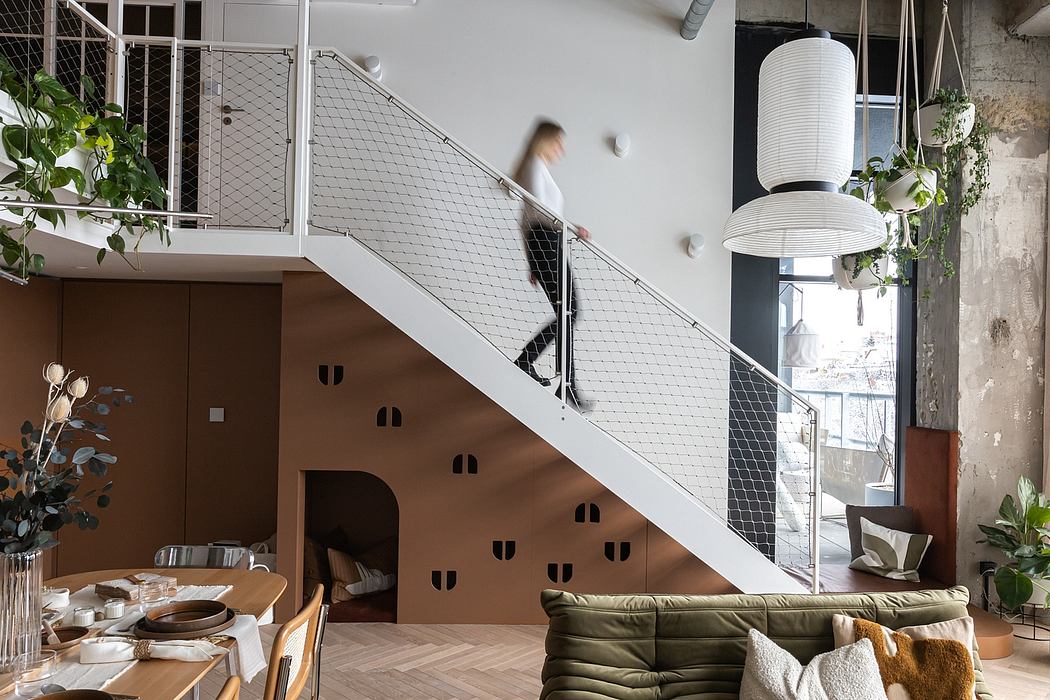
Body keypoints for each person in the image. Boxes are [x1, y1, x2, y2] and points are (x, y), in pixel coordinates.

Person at [511, 120, 592, 410]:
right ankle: (558, 381)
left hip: (547, 243)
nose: (561, 150)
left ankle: (565, 386)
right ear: (545, 140)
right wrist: (572, 227)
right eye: (558, 143)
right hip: (546, 241)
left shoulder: (538, 168)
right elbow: (538, 212)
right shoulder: (534, 165)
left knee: (567, 313)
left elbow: (525, 220)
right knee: (570, 313)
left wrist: (531, 262)